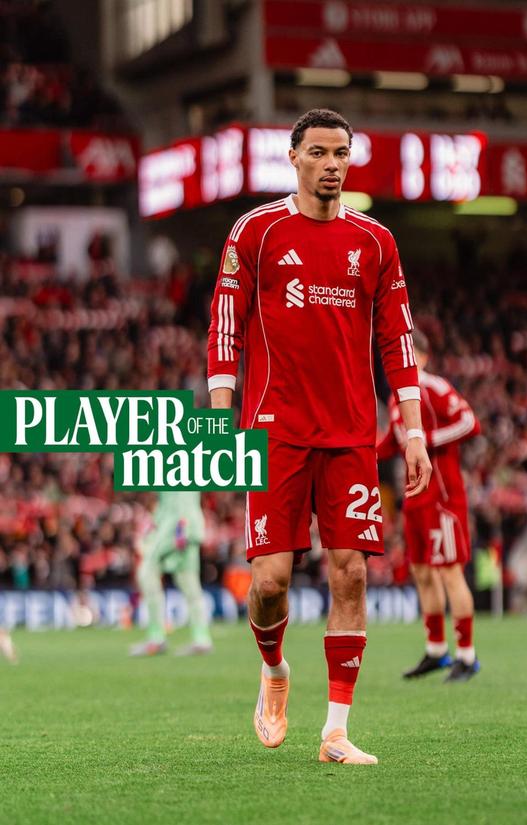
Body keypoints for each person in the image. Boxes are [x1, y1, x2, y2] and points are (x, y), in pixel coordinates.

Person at [207, 108, 431, 764]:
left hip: (350, 434)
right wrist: (220, 418)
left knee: (351, 571)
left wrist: (412, 430)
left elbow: (398, 339)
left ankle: (335, 730)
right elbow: (225, 327)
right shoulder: (256, 231)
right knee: (270, 580)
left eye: (340, 153)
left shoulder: (376, 242)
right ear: (294, 158)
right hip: (273, 430)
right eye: (319, 152)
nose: (331, 164)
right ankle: (274, 669)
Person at [377, 330, 481, 682]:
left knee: (450, 572)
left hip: (443, 498)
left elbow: (470, 422)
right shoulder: (397, 397)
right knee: (422, 572)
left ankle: (467, 655)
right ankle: (437, 650)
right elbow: (394, 443)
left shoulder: (432, 386)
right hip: (414, 499)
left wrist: (426, 440)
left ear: (421, 355)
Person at [129, 491, 213, 657]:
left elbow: (179, 503)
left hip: (175, 529)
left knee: (147, 572)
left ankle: (156, 638)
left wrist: (180, 531)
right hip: (186, 527)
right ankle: (201, 639)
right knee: (189, 584)